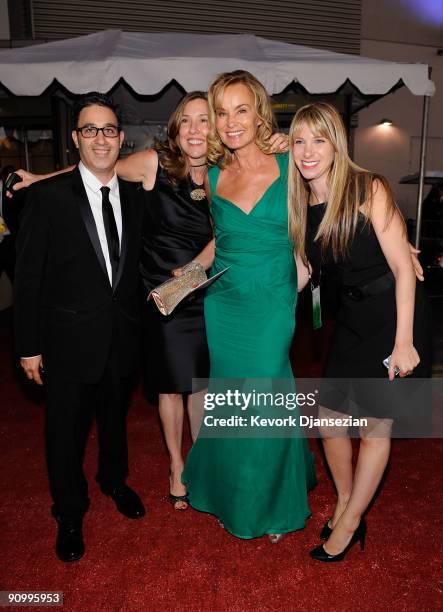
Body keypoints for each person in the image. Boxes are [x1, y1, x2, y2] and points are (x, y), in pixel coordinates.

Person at [287, 102, 431, 562]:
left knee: (373, 426)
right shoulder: (301, 201)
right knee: (328, 418)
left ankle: (348, 524)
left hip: (395, 314)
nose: (308, 151)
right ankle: (349, 500)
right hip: (351, 317)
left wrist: (404, 341)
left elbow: (403, 270)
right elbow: (303, 271)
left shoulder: (368, 187)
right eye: (299, 141)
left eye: (320, 139)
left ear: (337, 143)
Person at [182, 70, 316, 542]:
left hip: (273, 298)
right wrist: (188, 277)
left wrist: (398, 246)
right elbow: (220, 242)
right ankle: (233, 495)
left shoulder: (291, 163)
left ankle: (274, 503)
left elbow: (335, 203)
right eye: (222, 112)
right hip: (225, 303)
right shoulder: (215, 175)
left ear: (259, 113)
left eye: (242, 109)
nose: (230, 121)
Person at [14, 92, 145, 563]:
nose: (100, 138)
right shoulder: (47, 197)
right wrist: (28, 345)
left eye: (108, 129)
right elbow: (28, 277)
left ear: (121, 138)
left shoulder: (134, 197)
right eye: (90, 129)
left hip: (123, 337)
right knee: (64, 433)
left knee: (114, 421)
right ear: (75, 139)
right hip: (66, 341)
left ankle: (114, 480)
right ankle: (69, 511)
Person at [116, 92, 213, 510]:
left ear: (217, 127)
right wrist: (38, 179)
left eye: (204, 120)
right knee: (171, 389)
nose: (194, 129)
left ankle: (202, 463)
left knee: (202, 387)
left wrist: (197, 267)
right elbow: (94, 169)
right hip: (164, 296)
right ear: (175, 130)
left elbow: (232, 232)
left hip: (208, 291)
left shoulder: (229, 173)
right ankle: (176, 466)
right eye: (186, 121)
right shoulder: (156, 163)